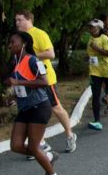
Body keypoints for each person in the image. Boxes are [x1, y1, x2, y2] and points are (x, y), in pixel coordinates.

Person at [15, 11, 77, 153]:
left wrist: (30, 57)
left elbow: (50, 53)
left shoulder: (39, 34)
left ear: (29, 20)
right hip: (29, 82)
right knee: (32, 111)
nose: (17, 23)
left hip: (45, 79)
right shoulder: (19, 38)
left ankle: (70, 134)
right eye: (16, 20)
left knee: (55, 108)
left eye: (20, 20)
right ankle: (40, 144)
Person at [6, 32, 60, 175]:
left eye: (12, 42)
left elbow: (44, 82)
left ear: (23, 43)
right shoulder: (15, 61)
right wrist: (14, 97)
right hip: (25, 108)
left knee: (34, 147)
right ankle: (48, 157)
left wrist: (17, 81)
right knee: (15, 145)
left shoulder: (33, 60)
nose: (9, 45)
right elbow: (23, 86)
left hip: (39, 107)